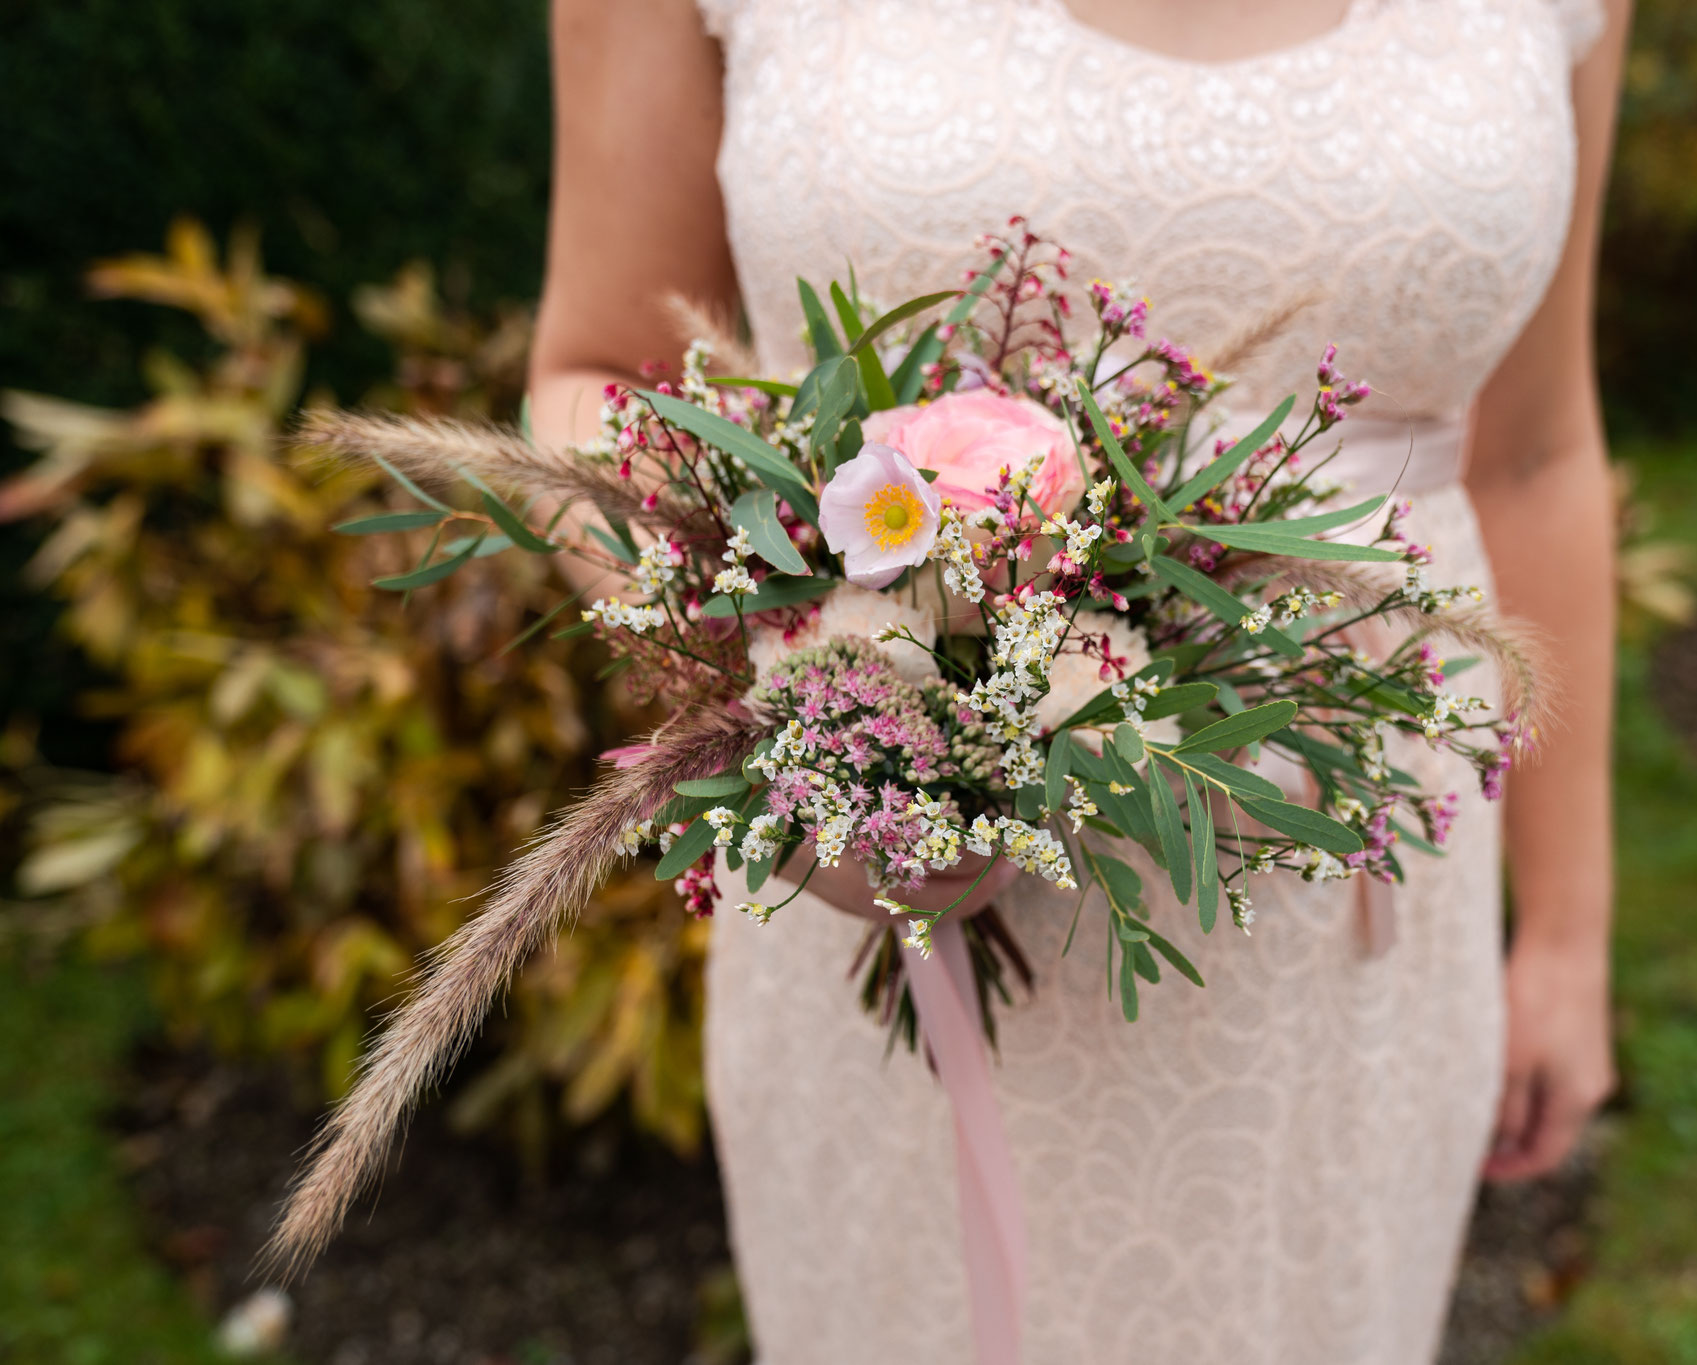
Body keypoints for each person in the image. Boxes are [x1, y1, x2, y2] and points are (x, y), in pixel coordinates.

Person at [528, 1, 1623, 1359]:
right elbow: (602, 373)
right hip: (892, 893)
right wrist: (809, 712)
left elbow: (1535, 453)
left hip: (1343, 938)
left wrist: (1569, 932)